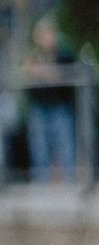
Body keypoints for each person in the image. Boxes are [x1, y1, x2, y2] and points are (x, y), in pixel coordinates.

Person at [27, 14, 81, 183]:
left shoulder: (64, 55)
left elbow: (62, 76)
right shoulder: (33, 56)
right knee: (39, 149)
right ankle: (40, 184)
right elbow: (28, 76)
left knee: (66, 146)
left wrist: (43, 72)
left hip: (60, 108)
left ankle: (70, 183)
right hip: (39, 108)